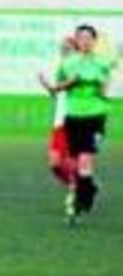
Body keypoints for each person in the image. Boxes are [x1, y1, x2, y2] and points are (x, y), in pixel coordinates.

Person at [43, 24, 115, 224]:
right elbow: (58, 88)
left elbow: (104, 87)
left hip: (95, 116)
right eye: (81, 37)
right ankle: (86, 193)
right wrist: (53, 86)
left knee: (85, 162)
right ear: (77, 40)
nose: (84, 41)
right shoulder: (67, 63)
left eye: (88, 37)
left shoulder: (102, 63)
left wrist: (97, 84)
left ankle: (80, 202)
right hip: (72, 116)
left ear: (94, 41)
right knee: (74, 163)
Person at [39, 37, 77, 191]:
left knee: (68, 161)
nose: (64, 51)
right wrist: (48, 86)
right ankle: (78, 186)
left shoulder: (77, 70)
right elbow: (57, 95)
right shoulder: (61, 71)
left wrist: (51, 86)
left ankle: (77, 191)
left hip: (73, 122)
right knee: (54, 164)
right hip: (58, 123)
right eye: (62, 48)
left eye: (68, 48)